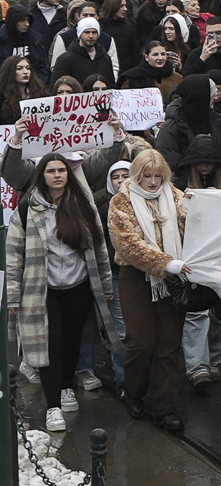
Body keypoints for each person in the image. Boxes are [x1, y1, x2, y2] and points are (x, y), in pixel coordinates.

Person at [9, 151, 117, 434]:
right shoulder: (27, 208)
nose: (57, 175)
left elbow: (100, 248)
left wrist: (105, 285)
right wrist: (12, 295)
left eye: (62, 170)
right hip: (42, 289)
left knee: (72, 342)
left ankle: (68, 386)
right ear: (41, 176)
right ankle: (53, 405)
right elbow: (14, 255)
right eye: (51, 171)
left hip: (78, 285)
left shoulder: (83, 205)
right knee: (50, 345)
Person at [105, 147, 196, 431]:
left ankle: (164, 407)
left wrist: (197, 208)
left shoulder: (178, 197)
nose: (154, 182)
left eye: (158, 176)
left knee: (168, 345)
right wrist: (166, 264)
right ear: (137, 175)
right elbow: (128, 244)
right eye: (147, 176)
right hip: (136, 278)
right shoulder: (121, 202)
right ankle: (134, 392)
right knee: (141, 342)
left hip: (174, 279)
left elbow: (193, 226)